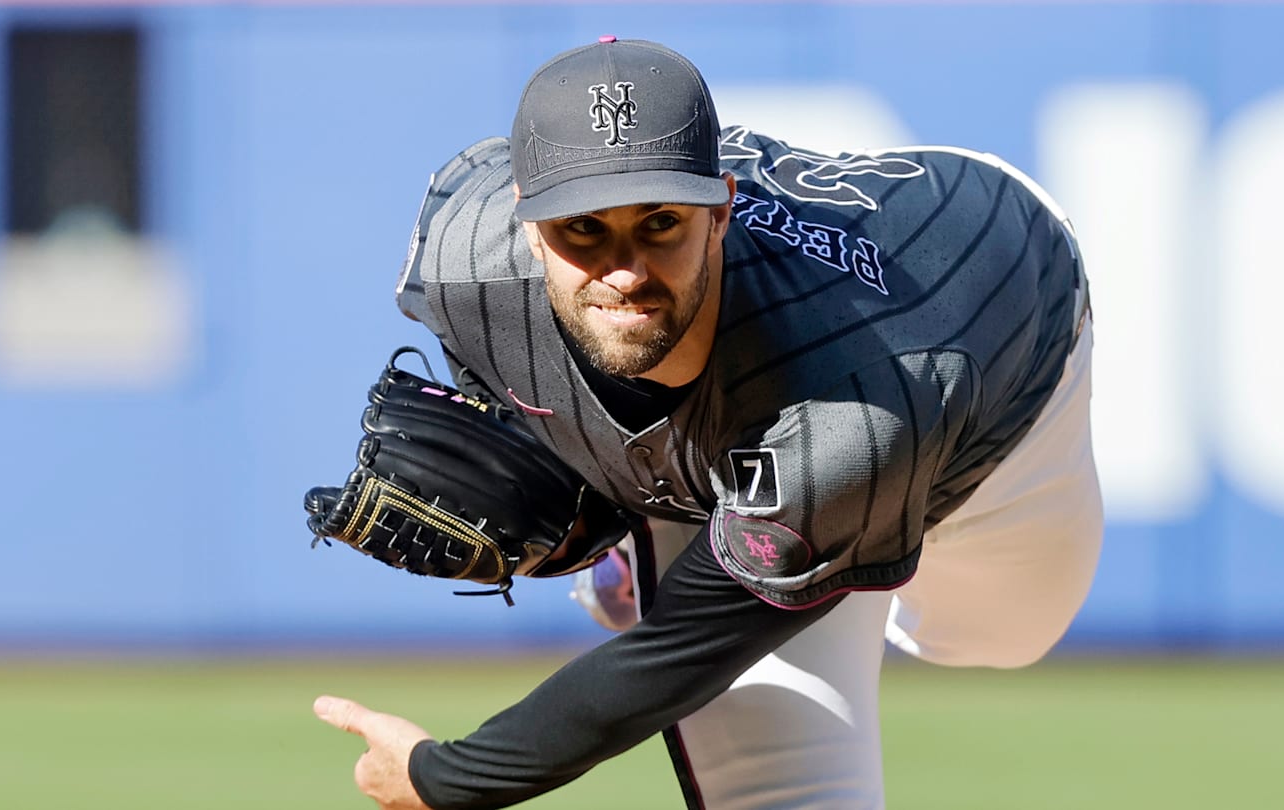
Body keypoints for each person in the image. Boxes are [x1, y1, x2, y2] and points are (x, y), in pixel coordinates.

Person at [313, 36, 1103, 810]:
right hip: (801, 449)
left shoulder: (850, 410)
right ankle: (661, 533)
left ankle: (758, 540)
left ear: (720, 211)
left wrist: (442, 778)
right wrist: (571, 474)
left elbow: (671, 659)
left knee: (991, 638)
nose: (622, 269)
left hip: (1001, 363)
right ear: (524, 220)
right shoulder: (466, 257)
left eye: (659, 221)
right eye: (582, 226)